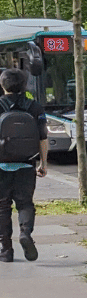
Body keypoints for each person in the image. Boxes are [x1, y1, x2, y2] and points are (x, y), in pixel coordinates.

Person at [0, 69, 48, 262]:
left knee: (2, 207)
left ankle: (5, 251)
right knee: (25, 203)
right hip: (27, 164)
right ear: (25, 85)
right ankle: (25, 233)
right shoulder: (35, 107)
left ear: (3, 85)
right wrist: (43, 163)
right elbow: (43, 138)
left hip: (1, 164)